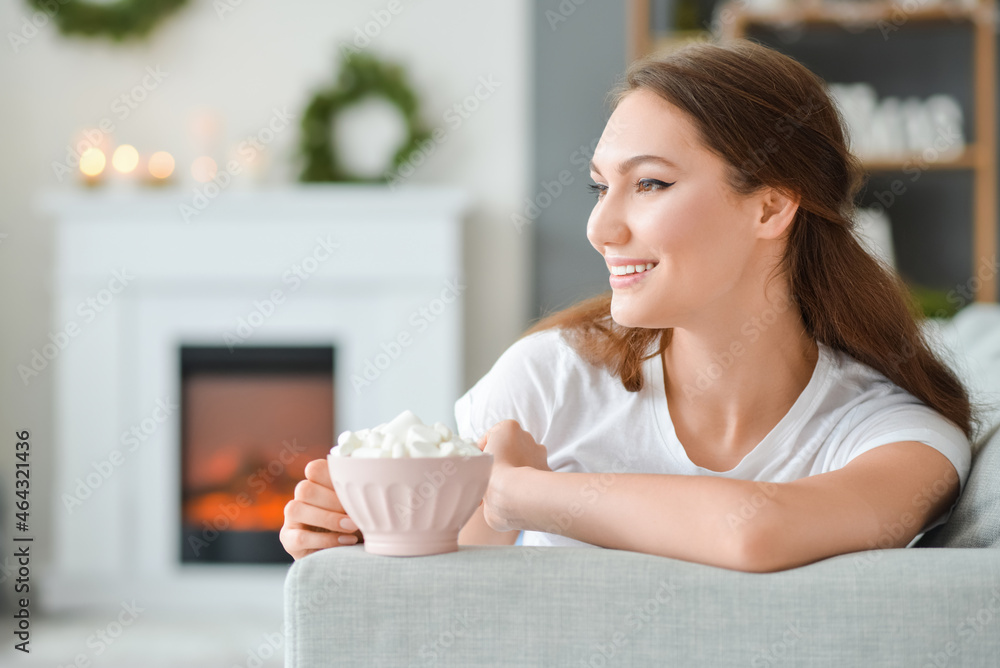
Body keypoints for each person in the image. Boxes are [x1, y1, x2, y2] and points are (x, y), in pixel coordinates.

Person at [280, 40, 979, 572]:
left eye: (648, 184)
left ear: (770, 206)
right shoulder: (547, 380)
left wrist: (521, 493)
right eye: (598, 187)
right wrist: (352, 537)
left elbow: (754, 531)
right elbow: (438, 593)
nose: (600, 227)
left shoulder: (894, 435)